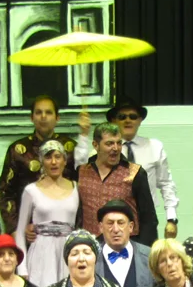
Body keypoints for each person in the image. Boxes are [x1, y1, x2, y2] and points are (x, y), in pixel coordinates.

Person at [74, 96, 179, 239]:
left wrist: (171, 218)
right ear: (114, 120)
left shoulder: (154, 147)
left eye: (133, 116)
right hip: (97, 233)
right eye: (122, 117)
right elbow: (79, 170)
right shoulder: (95, 156)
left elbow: (166, 183)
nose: (127, 120)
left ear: (140, 120)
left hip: (136, 230)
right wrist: (83, 134)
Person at [0, 95, 77, 233]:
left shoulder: (70, 148)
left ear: (57, 117)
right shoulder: (18, 150)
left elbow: (81, 190)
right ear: (32, 117)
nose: (43, 117)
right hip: (28, 229)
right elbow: (6, 192)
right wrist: (15, 229)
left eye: (48, 112)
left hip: (65, 226)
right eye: (38, 112)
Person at [74, 122, 158, 245]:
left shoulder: (135, 173)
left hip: (127, 246)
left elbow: (148, 218)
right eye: (109, 143)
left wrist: (145, 250)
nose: (116, 148)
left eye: (119, 143)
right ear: (96, 145)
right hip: (90, 246)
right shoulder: (81, 172)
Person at [14, 140, 80, 287]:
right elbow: (20, 231)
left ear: (65, 160)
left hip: (68, 251)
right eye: (48, 157)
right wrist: (22, 268)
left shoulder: (76, 188)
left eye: (58, 157)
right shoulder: (31, 191)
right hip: (41, 253)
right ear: (42, 161)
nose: (54, 162)